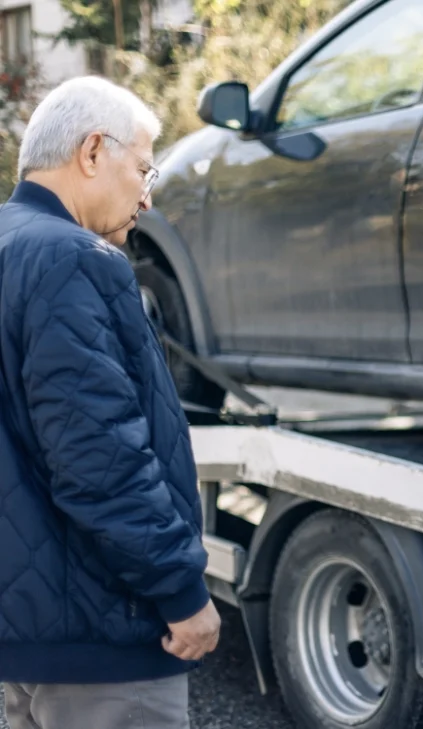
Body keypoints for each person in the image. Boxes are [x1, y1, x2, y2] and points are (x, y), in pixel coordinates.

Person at [0, 76, 219, 729]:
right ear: (93, 151)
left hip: (28, 630)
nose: (147, 198)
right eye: (144, 169)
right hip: (102, 632)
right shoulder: (73, 258)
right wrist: (181, 592)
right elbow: (100, 459)